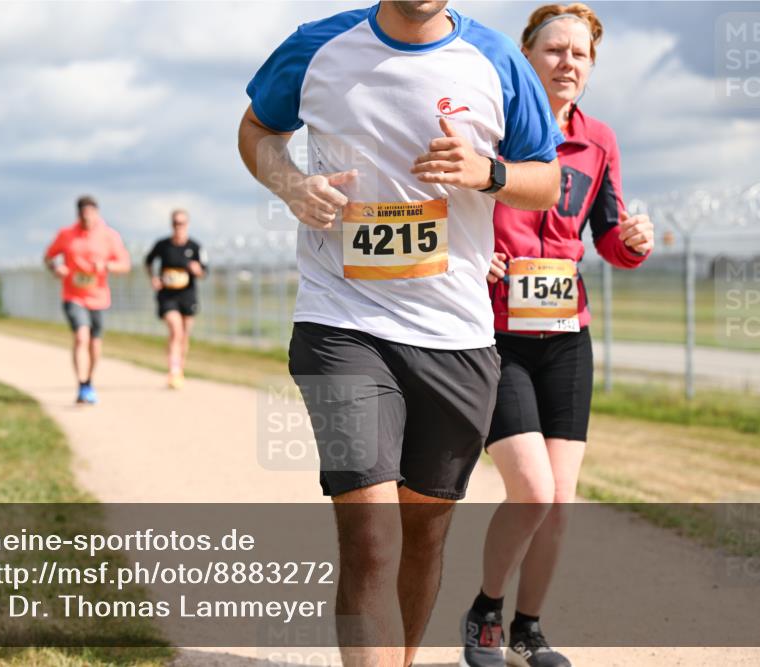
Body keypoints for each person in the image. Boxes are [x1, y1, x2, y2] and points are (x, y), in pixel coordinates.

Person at [239, 2, 563, 664]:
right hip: (341, 320)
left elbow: (547, 180)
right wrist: (292, 185)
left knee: (421, 535)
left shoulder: (498, 60)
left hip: (456, 335)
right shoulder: (319, 46)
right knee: (371, 535)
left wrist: (489, 172)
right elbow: (256, 131)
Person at [461, 5, 654, 667]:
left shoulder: (600, 140)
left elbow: (606, 231)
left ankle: (528, 629)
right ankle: (486, 610)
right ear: (526, 54)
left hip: (568, 335)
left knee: (561, 502)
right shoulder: (490, 129)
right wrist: (471, 255)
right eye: (554, 49)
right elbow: (450, 214)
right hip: (497, 335)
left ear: (591, 68)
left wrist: (632, 242)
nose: (568, 62)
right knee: (533, 491)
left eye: (581, 53)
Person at [44, 195, 132, 405]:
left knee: (94, 344)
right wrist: (57, 268)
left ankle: (89, 382)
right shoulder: (66, 234)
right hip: (73, 295)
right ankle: (81, 383)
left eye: (91, 215)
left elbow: (125, 265)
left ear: (97, 213)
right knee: (81, 337)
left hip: (99, 297)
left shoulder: (109, 236)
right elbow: (48, 257)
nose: (87, 220)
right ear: (78, 215)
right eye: (83, 216)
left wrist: (107, 266)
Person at [144, 209, 207, 389]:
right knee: (175, 330)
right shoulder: (162, 245)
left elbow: (205, 271)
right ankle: (173, 371)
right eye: (175, 223)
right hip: (167, 294)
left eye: (182, 223)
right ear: (171, 224)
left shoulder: (195, 247)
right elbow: (148, 261)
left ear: (187, 224)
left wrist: (198, 270)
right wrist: (153, 278)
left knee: (184, 335)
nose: (178, 226)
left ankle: (180, 369)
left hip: (187, 295)